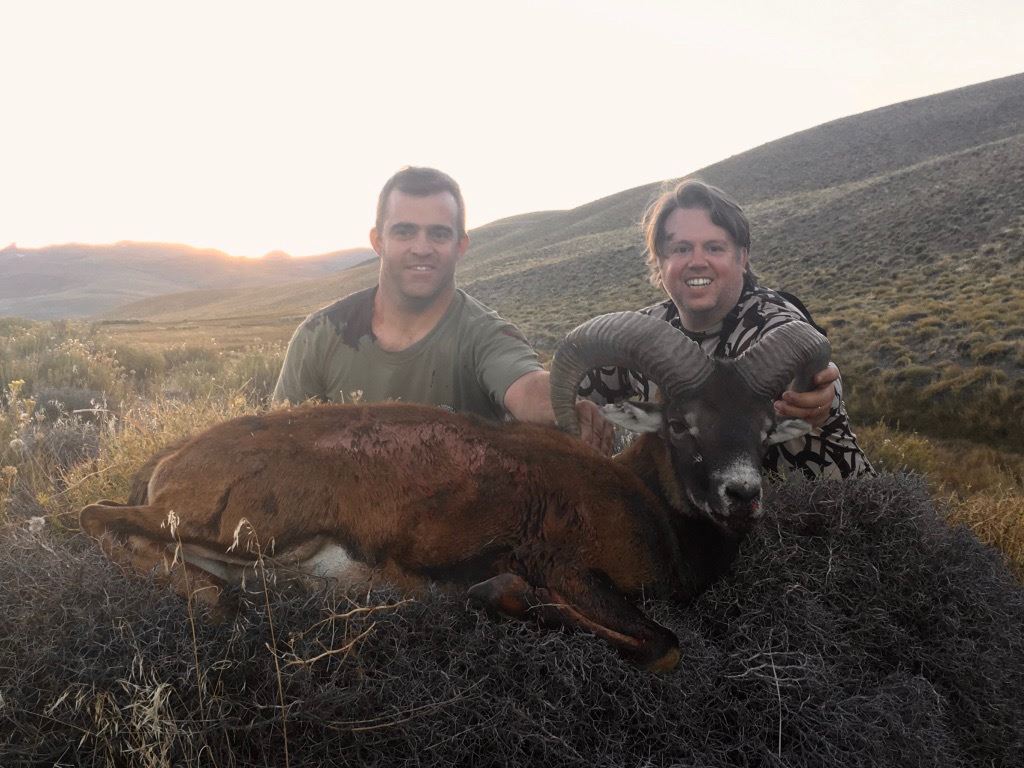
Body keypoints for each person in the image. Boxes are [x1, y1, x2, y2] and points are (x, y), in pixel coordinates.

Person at [273, 166, 612, 448]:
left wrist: (566, 407)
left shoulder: (486, 335)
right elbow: (279, 444)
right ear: (378, 241)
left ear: (460, 245)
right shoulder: (319, 336)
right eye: (404, 232)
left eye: (438, 234)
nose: (422, 248)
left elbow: (524, 386)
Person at [578, 180, 874, 478]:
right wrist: (575, 409)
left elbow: (816, 375)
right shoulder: (645, 334)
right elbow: (573, 383)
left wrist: (821, 393)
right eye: (681, 248)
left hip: (832, 503)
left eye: (714, 247)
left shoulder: (770, 323)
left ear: (742, 258)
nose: (697, 261)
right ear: (660, 261)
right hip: (704, 500)